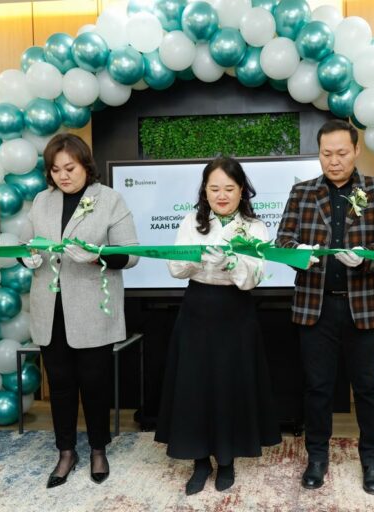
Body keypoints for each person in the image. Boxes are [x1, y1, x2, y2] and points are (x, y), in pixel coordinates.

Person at [276, 119, 374, 494]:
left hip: (364, 306)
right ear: (319, 153)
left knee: (367, 388)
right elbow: (283, 240)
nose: (334, 161)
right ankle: (317, 457)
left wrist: (365, 257)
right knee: (317, 388)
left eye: (342, 153)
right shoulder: (302, 192)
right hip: (315, 306)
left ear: (356, 151)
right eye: (326, 154)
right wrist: (298, 253)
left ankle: (372, 460)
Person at [155, 157, 281, 495]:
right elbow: (175, 269)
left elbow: (252, 279)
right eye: (214, 189)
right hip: (197, 309)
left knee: (231, 385)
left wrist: (231, 262)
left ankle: (226, 461)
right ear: (205, 192)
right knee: (194, 386)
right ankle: (199, 461)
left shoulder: (255, 227)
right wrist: (197, 257)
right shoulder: (190, 221)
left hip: (236, 312)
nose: (221, 195)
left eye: (229, 188)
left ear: (241, 191)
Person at [19, 133, 139, 488]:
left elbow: (130, 254)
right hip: (49, 309)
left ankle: (98, 449)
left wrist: (96, 256)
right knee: (60, 386)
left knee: (94, 384)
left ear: (86, 165)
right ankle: (66, 452)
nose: (63, 176)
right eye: (56, 170)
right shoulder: (42, 200)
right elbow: (26, 246)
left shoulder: (109, 199)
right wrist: (27, 258)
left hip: (92, 310)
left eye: (69, 168)